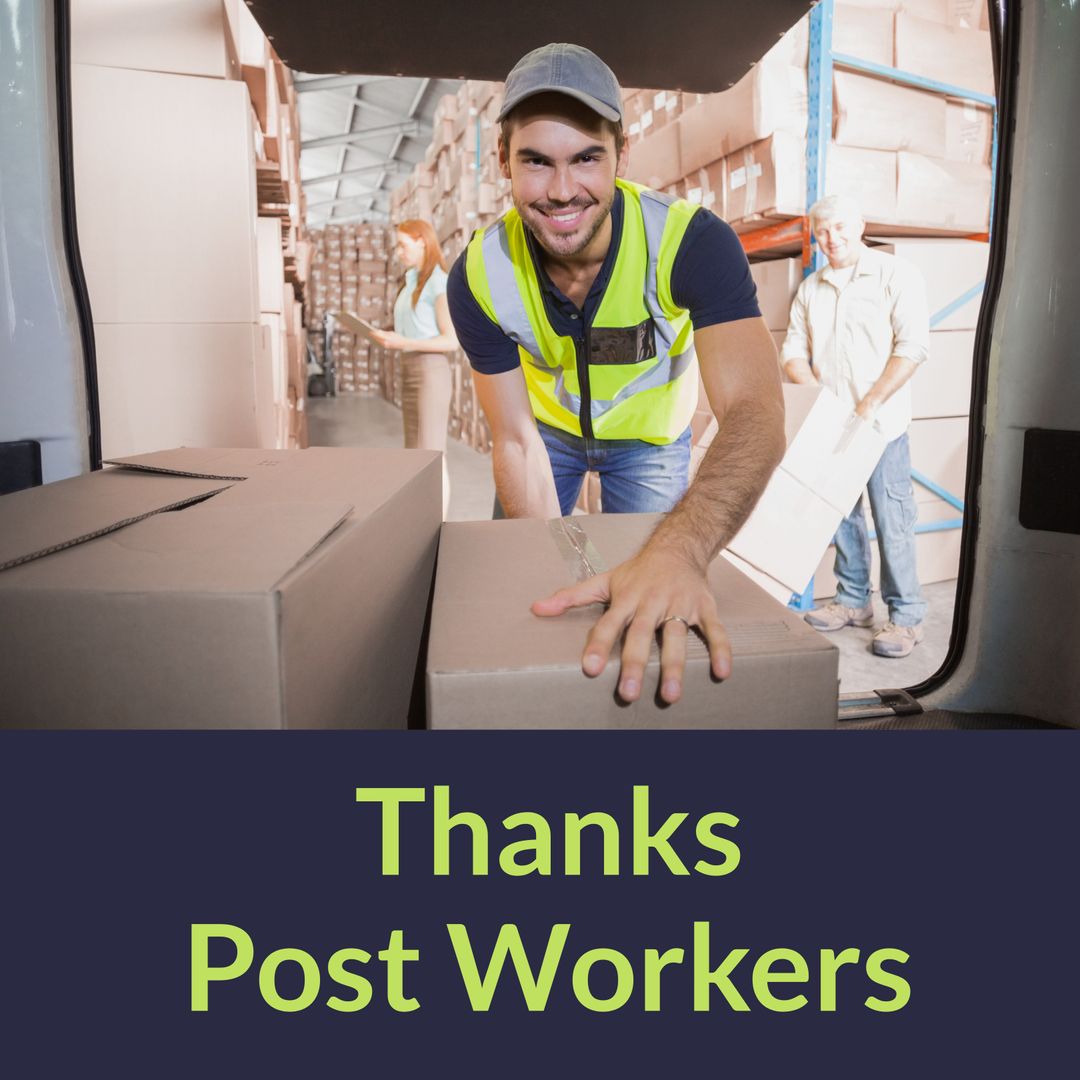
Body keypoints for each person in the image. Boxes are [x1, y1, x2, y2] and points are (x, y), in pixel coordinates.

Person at [446, 43, 786, 704]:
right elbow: (513, 438)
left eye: (586, 158)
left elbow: (757, 412)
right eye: (536, 161)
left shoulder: (690, 243)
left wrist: (681, 552)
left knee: (656, 603)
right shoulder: (480, 275)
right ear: (502, 161)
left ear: (622, 155)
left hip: (650, 445)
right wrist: (544, 568)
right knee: (532, 592)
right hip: (546, 440)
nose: (561, 191)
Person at [781, 193, 930, 658]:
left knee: (892, 520)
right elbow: (792, 353)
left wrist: (869, 404)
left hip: (881, 425)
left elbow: (912, 347)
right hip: (833, 427)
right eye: (823, 231)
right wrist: (822, 400)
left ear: (861, 226)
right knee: (840, 517)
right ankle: (852, 600)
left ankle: (906, 617)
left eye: (841, 227)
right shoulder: (812, 288)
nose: (832, 238)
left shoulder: (894, 275)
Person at [370, 219, 458, 518]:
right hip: (409, 368)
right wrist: (387, 336)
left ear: (422, 241)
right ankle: (421, 521)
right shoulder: (410, 281)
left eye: (402, 245)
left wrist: (403, 341)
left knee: (432, 454)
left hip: (430, 372)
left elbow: (451, 341)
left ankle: (438, 524)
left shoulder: (438, 283)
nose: (399, 252)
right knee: (414, 453)